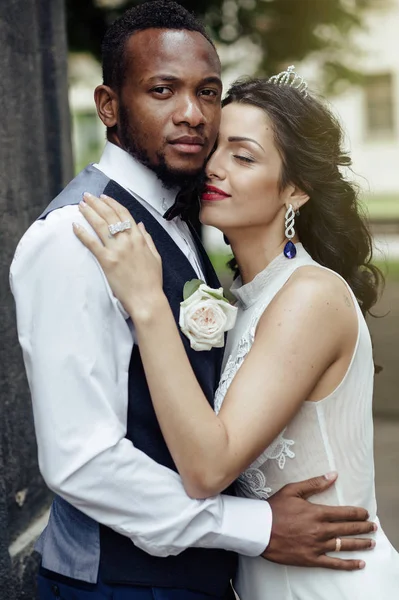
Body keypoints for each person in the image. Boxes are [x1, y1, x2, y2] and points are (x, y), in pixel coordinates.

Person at [10, 3, 375, 600]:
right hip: (120, 584)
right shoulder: (76, 237)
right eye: (162, 90)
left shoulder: (185, 213)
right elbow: (82, 461)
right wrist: (254, 526)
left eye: (208, 92)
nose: (191, 115)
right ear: (108, 105)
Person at [74, 70, 399, 600]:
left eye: (243, 157)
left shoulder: (311, 296)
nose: (215, 167)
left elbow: (207, 468)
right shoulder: (243, 294)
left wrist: (148, 301)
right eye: (216, 148)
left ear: (295, 190)